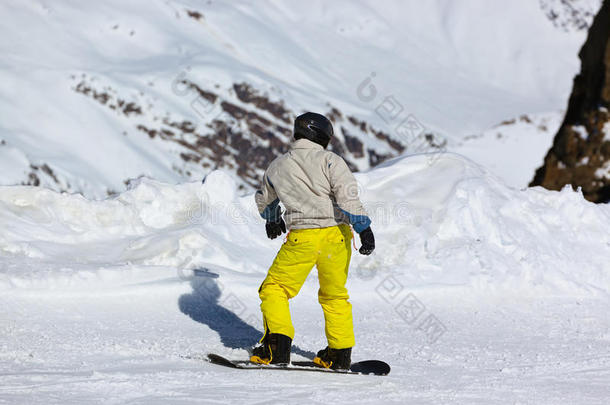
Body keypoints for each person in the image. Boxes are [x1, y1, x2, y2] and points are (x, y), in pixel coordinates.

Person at [250, 112, 375, 370]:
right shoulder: (331, 160)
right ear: (323, 136)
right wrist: (363, 227)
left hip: (303, 237)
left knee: (274, 288)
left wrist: (273, 219)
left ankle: (276, 349)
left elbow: (266, 199)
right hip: (336, 238)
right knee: (334, 296)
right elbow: (347, 197)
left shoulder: (278, 165)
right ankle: (339, 355)